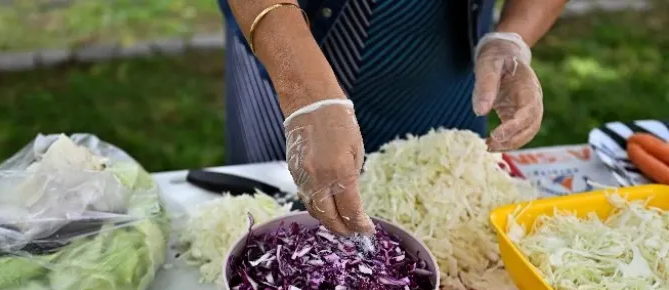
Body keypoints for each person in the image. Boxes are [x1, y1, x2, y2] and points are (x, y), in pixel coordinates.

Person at [220, 0, 565, 236]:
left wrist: (512, 38)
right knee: (276, 222)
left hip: (449, 63)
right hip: (287, 46)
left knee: (451, 222)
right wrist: (302, 90)